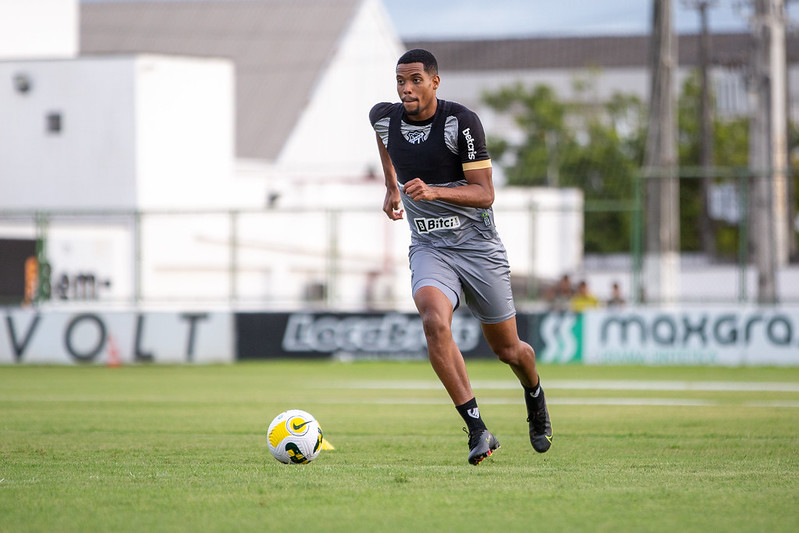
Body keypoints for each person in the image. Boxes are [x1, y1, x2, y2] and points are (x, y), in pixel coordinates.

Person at [369, 49, 552, 465]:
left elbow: (485, 194)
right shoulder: (383, 117)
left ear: (435, 81)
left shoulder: (460, 122)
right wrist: (391, 185)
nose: (406, 88)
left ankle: (535, 394)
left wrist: (434, 191)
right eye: (400, 81)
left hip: (477, 246)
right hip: (430, 246)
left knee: (509, 351)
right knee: (434, 319)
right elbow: (384, 140)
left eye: (415, 79)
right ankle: (477, 429)